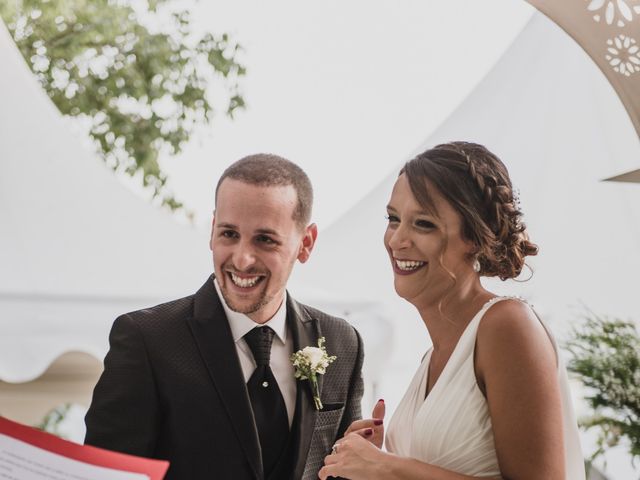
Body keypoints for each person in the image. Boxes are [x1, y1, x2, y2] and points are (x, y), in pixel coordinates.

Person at [85, 154, 364, 480]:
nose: (242, 260)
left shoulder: (341, 342)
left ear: (306, 243)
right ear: (213, 229)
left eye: (265, 239)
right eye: (229, 234)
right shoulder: (146, 339)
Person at [319, 142, 585, 480]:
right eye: (393, 219)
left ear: (474, 236)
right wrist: (372, 460)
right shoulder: (431, 357)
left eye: (424, 224)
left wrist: (389, 468)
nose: (397, 239)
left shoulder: (507, 326)